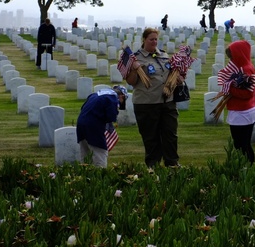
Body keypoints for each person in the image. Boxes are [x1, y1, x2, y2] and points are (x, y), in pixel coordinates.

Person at [125, 27, 181, 167]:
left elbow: (169, 73)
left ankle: (172, 163)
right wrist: (134, 68)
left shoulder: (163, 55)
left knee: (170, 134)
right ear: (144, 40)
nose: (154, 42)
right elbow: (131, 81)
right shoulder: (135, 58)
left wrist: (178, 78)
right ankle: (153, 165)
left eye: (156, 39)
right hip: (146, 103)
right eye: (151, 39)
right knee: (151, 137)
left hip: (167, 101)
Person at [222, 40, 255, 163]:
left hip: (243, 112)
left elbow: (248, 93)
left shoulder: (246, 69)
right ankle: (245, 167)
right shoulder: (241, 67)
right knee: (240, 144)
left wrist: (230, 89)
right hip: (239, 111)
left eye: (232, 56)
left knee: (243, 145)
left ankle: (248, 167)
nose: (231, 60)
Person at [76, 86, 126, 167]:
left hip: (81, 123)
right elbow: (111, 117)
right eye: (122, 101)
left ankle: (85, 175)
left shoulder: (95, 94)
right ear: (122, 96)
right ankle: (101, 175)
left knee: (85, 153)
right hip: (94, 126)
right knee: (100, 153)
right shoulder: (112, 98)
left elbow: (83, 108)